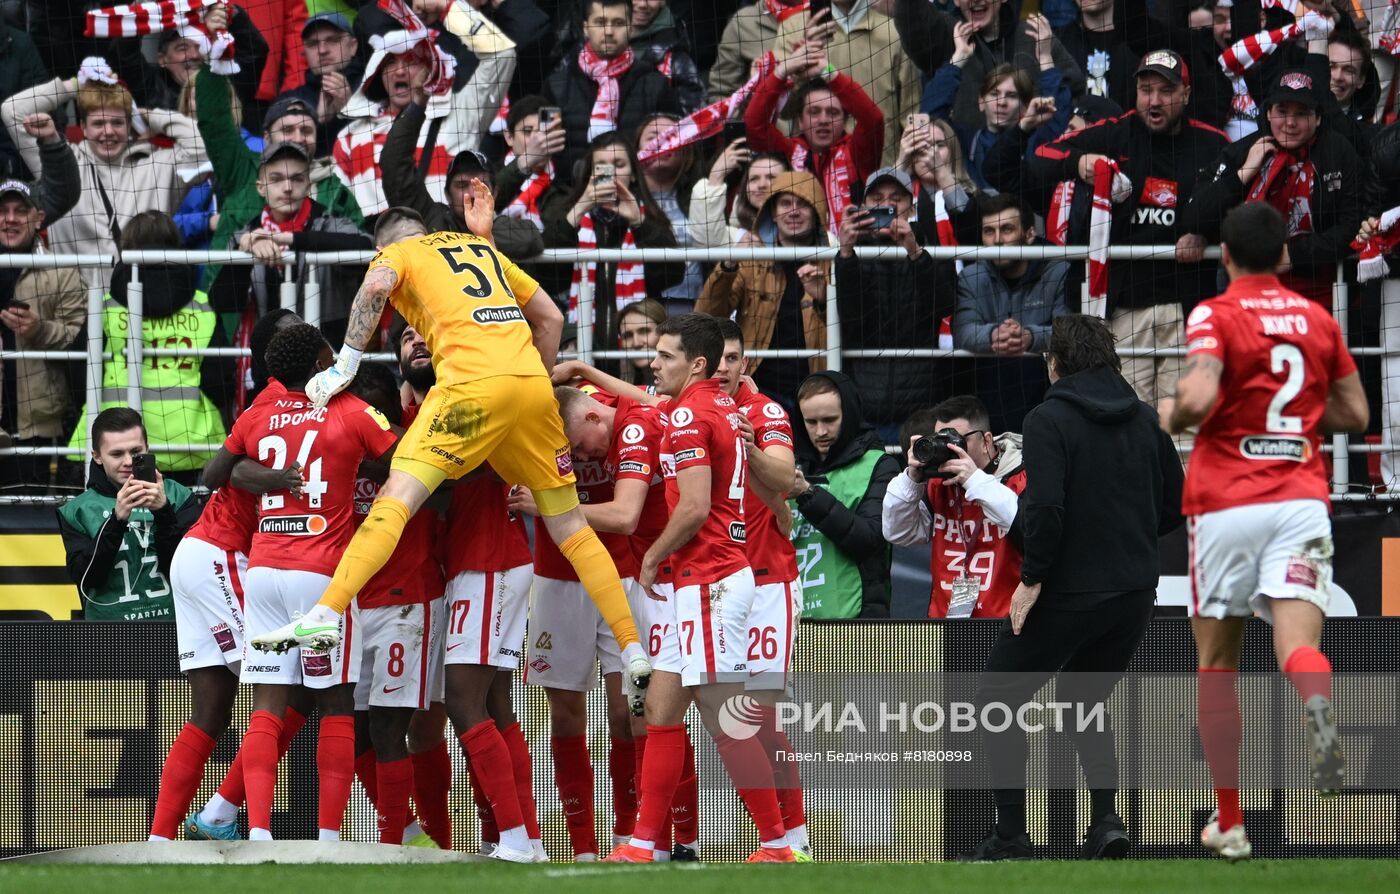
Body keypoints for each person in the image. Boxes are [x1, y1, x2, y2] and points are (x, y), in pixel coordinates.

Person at [249, 200, 652, 780]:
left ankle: (325, 613)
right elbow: (553, 320)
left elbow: (370, 294)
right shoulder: (483, 250)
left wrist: (343, 368)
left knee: (396, 498)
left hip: (467, 396)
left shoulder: (397, 255)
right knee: (568, 527)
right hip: (533, 394)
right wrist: (530, 385)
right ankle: (632, 646)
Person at [1167, 201, 1368, 861]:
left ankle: (1230, 822)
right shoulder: (1317, 318)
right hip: (1301, 499)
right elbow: (1356, 412)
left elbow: (1196, 400)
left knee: (1218, 665)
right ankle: (1315, 698)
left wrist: (1172, 413)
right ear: (1284, 255)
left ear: (1224, 257)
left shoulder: (1214, 315)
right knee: (1296, 643)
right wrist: (1296, 422)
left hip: (1226, 503)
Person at [968, 314, 1183, 861]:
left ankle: (1012, 835)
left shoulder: (1048, 418)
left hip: (1068, 589)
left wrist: (1033, 579)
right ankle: (1106, 821)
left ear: (1054, 363)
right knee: (1084, 698)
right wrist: (1126, 541)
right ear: (1110, 361)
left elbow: (1046, 509)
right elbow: (1173, 507)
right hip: (1135, 591)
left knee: (997, 697)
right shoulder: (1145, 419)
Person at [604, 313, 794, 864]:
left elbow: (691, 507)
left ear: (697, 364)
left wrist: (652, 558)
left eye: (664, 357)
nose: (652, 364)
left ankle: (778, 842)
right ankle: (643, 844)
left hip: (708, 578)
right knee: (661, 713)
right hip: (701, 580)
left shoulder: (691, 414)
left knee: (726, 720)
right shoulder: (724, 408)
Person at [221, 323, 399, 844]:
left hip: (264, 570)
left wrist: (268, 474)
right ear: (322, 366)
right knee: (337, 705)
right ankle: (327, 836)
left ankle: (256, 832)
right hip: (321, 577)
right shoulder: (350, 412)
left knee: (266, 708)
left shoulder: (257, 414)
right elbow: (400, 462)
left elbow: (221, 469)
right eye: (332, 356)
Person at [147, 362, 303, 843]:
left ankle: (161, 839)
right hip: (221, 554)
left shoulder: (279, 405)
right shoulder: (279, 407)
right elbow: (231, 469)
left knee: (212, 710)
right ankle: (243, 827)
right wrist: (281, 477)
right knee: (284, 689)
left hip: (199, 556)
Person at [1025, 48, 1227, 414]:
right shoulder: (1117, 132)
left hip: (1185, 310)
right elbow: (1038, 158)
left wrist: (1206, 232)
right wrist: (1078, 161)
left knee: (1180, 426)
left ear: (1185, 94)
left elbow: (1236, 200)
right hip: (1122, 312)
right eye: (1146, 89)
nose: (1155, 100)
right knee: (1126, 416)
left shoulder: (1212, 143)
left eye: (1166, 91)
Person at [518, 382, 666, 861]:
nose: (582, 457)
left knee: (630, 711)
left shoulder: (625, 410)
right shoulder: (530, 418)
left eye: (580, 446)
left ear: (592, 417)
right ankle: (582, 843)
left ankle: (629, 833)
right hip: (557, 577)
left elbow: (661, 399)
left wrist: (583, 365)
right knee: (564, 711)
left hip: (620, 575)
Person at [339, 362, 453, 848]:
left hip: (407, 600)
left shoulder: (415, 444)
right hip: (354, 605)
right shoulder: (338, 444)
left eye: (369, 401)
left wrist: (386, 465)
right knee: (358, 732)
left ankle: (394, 847)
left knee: (390, 730)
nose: (359, 409)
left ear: (388, 403)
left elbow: (447, 493)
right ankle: (408, 834)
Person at [1, 62, 206, 292]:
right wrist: (76, 86)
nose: (108, 131)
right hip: (75, 308)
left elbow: (206, 147)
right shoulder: (62, 163)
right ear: (83, 128)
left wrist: (149, 116)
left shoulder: (159, 164)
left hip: (142, 306)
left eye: (117, 122)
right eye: (98, 123)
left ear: (130, 126)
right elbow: (13, 111)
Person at [67, 211, 232, 485]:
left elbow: (78, 372)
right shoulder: (202, 307)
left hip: (115, 446)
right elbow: (220, 377)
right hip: (190, 445)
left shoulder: (106, 307)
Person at [1190, 67, 1363, 306]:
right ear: (1268, 113)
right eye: (1282, 111)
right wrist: (1244, 173)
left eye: (1301, 113)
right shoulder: (1244, 151)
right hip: (1246, 296)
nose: (1290, 123)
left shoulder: (1339, 152)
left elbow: (1352, 224)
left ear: (1318, 118)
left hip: (1318, 297)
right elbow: (1193, 216)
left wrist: (1293, 254)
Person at [333, 0, 523, 216]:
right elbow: (341, 214)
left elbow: (502, 55)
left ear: (432, 67)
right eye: (390, 63)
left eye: (412, 62)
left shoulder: (461, 113)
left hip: (447, 245)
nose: (400, 72)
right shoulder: (350, 137)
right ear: (377, 71)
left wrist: (446, 8)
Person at [193, 77, 364, 296]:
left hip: (319, 308)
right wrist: (213, 63)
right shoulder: (242, 168)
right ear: (266, 137)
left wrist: (296, 240)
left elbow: (360, 244)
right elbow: (214, 122)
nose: (298, 137)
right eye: (288, 129)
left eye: (306, 131)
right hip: (242, 312)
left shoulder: (335, 188)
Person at [695, 171, 831, 409]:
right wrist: (728, 263)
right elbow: (706, 315)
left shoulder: (833, 261)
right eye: (785, 203)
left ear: (817, 213)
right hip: (758, 388)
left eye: (803, 205)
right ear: (772, 213)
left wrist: (824, 299)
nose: (793, 212)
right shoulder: (750, 261)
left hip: (817, 389)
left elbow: (854, 326)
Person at [881, 395, 1025, 618]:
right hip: (946, 622)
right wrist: (912, 478)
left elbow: (1027, 529)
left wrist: (974, 479)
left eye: (956, 440)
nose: (949, 447)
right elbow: (897, 532)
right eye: (941, 439)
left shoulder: (1021, 476)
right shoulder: (939, 484)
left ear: (987, 440)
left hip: (1005, 624)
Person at [217, 142, 373, 345]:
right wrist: (245, 254)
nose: (288, 187)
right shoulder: (246, 236)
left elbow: (367, 247)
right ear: (260, 187)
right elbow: (222, 301)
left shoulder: (332, 224)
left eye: (296, 179)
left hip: (328, 355)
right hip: (267, 359)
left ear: (308, 185)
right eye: (276, 179)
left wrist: (292, 239)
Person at [542, 130, 682, 356]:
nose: (612, 173)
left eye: (619, 164)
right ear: (590, 175)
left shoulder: (651, 220)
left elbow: (672, 274)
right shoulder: (568, 217)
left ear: (634, 174)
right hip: (583, 346)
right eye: (602, 166)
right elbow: (545, 274)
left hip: (638, 351)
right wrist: (579, 209)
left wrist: (639, 223)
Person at [57, 408, 200, 621]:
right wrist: (117, 520)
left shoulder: (179, 495)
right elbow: (87, 578)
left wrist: (163, 512)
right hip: (107, 634)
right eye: (116, 454)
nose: (127, 461)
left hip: (176, 627)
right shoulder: (78, 510)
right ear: (96, 456)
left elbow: (194, 572)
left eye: (135, 452)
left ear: (147, 448)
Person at [835, 166, 947, 433]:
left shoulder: (929, 247)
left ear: (911, 207)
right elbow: (851, 319)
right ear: (863, 207)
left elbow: (942, 306)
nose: (886, 206)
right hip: (865, 401)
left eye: (896, 199)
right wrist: (846, 253)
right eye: (876, 200)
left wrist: (914, 251)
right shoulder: (853, 254)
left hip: (920, 404)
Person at [953, 193, 1068, 433]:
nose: (997, 240)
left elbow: (1067, 329)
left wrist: (1029, 337)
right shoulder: (971, 275)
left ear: (1029, 234)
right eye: (988, 232)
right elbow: (963, 330)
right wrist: (994, 335)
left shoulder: (1058, 269)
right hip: (990, 391)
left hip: (1046, 389)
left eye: (1006, 230)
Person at [789, 371, 899, 619]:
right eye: (811, 422)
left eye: (830, 420)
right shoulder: (786, 464)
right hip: (791, 622)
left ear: (848, 415)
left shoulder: (881, 465)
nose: (820, 432)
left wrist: (808, 494)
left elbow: (869, 540)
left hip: (856, 623)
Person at [743, 39, 884, 233]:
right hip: (798, 250)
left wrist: (828, 72)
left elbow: (873, 119)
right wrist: (782, 71)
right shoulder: (788, 152)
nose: (823, 120)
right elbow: (753, 124)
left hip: (851, 251)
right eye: (814, 112)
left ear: (845, 120)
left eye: (833, 113)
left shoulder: (857, 152)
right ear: (800, 120)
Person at [0, 175, 84, 493]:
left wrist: (40, 330)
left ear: (38, 218)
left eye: (20, 210)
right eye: (2, 210)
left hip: (36, 424)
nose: (9, 219)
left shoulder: (62, 270)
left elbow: (80, 338)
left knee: (26, 516)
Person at [892, 0, 1084, 136]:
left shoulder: (1034, 35)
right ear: (956, 1)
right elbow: (913, 21)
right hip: (965, 173)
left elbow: (1074, 90)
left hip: (1029, 170)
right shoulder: (943, 35)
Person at [921, 18, 1072, 191]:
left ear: (1025, 106)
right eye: (994, 94)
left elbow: (1058, 113)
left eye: (1012, 96)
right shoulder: (963, 142)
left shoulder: (1036, 142)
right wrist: (958, 58)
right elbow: (930, 117)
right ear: (981, 101)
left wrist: (1045, 58)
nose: (1001, 102)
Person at [381, 101, 543, 260]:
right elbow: (394, 165)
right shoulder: (429, 217)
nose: (472, 193)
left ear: (494, 192)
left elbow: (530, 240)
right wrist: (417, 104)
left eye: (481, 185)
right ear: (447, 194)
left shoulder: (506, 227)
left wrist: (481, 230)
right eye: (462, 185)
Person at [773, 5, 923, 167]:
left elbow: (911, 113)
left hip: (880, 175)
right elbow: (779, 112)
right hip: (812, 174)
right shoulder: (793, 29)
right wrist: (799, 72)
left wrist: (907, 171)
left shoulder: (893, 32)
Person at [543, 0, 676, 179]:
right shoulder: (556, 85)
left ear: (630, 28)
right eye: (600, 22)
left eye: (618, 23)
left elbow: (670, 150)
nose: (609, 31)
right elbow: (544, 149)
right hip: (570, 196)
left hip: (636, 195)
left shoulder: (655, 85)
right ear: (585, 28)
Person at [276, 12, 364, 154]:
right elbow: (283, 156)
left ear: (353, 46)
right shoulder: (289, 100)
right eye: (313, 44)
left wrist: (351, 111)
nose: (322, 50)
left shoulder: (374, 86)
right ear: (304, 52)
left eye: (333, 40)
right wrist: (318, 123)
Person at [688, 144, 790, 250]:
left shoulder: (802, 228)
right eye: (754, 179)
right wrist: (716, 175)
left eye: (771, 177)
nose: (762, 185)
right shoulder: (735, 237)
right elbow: (705, 241)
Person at [617, 298, 667, 386]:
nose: (636, 343)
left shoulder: (685, 381)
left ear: (664, 332)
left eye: (644, 331)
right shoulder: (618, 381)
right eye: (627, 335)